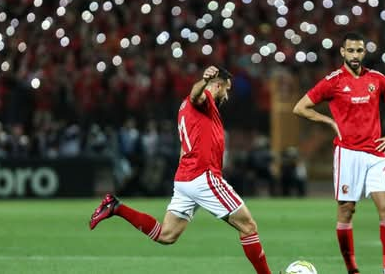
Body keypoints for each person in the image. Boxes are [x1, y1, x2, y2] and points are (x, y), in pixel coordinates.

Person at [89, 66, 273, 274]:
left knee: (166, 235)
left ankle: (115, 207)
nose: (227, 96)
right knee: (248, 226)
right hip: (203, 176)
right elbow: (197, 94)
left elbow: (185, 147)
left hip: (186, 179)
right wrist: (204, 82)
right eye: (226, 90)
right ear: (217, 85)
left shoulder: (185, 109)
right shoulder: (204, 101)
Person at [293, 32, 385, 274]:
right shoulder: (333, 81)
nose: (355, 55)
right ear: (343, 53)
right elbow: (300, 107)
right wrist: (328, 121)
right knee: (347, 211)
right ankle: (352, 269)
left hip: (375, 153)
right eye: (351, 51)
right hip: (348, 154)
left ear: (364, 53)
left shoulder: (377, 79)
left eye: (359, 51)